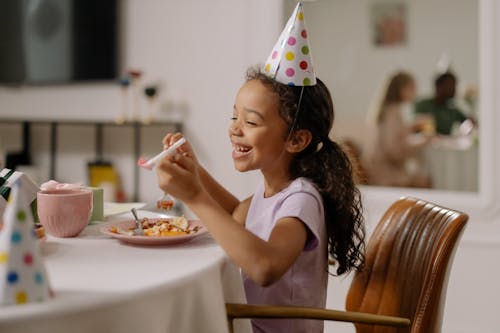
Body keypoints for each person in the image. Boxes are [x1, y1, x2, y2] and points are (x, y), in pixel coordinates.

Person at [364, 71, 431, 188]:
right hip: (386, 173)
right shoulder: (393, 112)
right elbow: (393, 151)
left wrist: (412, 127)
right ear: (401, 89)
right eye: (412, 88)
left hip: (383, 169)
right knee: (426, 180)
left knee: (422, 177)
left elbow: (396, 135)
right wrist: (421, 142)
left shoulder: (389, 109)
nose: (415, 92)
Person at [415, 71, 469, 135]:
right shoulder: (423, 105)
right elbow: (416, 129)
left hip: (446, 143)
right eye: (451, 85)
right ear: (439, 86)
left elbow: (468, 125)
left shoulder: (452, 109)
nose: (454, 89)